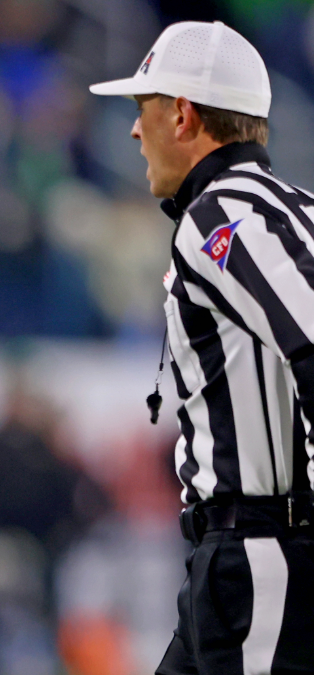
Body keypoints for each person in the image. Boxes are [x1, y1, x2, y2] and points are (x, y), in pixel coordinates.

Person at [90, 20, 314, 674]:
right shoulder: (296, 206)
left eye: (144, 107)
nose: (135, 131)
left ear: (183, 115)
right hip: (248, 557)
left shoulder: (220, 214)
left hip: (261, 556)